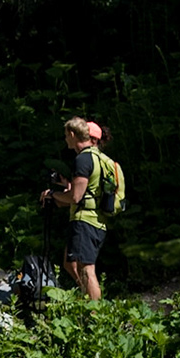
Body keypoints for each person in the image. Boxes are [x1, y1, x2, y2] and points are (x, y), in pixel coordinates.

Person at [39, 116, 109, 300]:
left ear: (72, 134)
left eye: (65, 135)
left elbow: (76, 197)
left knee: (86, 268)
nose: (65, 139)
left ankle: (96, 314)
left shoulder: (83, 159)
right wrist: (64, 190)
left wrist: (52, 194)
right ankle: (87, 298)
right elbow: (82, 193)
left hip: (85, 220)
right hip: (95, 218)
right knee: (70, 264)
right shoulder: (97, 157)